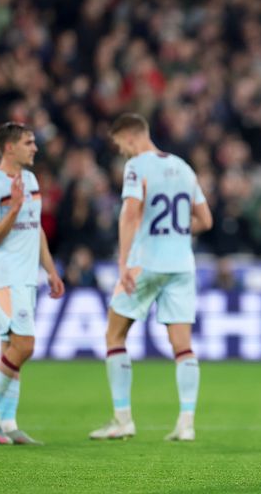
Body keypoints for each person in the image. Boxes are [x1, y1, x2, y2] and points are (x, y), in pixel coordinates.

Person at [89, 114, 213, 441]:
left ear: (130, 138)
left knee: (115, 335)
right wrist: (177, 233)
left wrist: (123, 264)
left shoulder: (136, 167)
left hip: (145, 263)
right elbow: (206, 220)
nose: (121, 153)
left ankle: (122, 419)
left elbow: (130, 213)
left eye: (120, 146)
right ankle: (186, 423)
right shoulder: (184, 167)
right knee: (182, 346)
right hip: (182, 264)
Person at [0, 122, 65, 445]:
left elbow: (35, 228)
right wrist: (12, 208)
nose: (35, 148)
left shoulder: (31, 180)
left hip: (27, 278)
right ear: (9, 148)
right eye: (29, 142)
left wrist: (50, 271)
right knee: (24, 346)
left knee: (10, 350)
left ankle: (8, 422)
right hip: (4, 277)